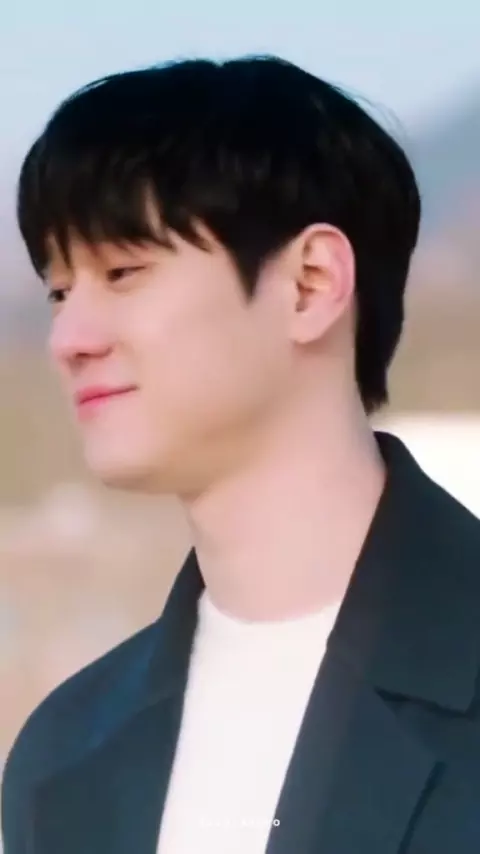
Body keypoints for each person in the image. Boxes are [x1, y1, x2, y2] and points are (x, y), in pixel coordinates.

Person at [2, 54, 480, 854]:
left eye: (123, 271)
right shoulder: (63, 755)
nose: (69, 340)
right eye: (59, 292)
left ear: (310, 284)